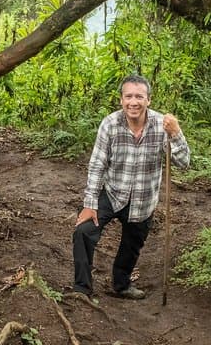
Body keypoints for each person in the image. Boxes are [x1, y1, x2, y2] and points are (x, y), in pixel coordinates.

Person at [69, 74, 190, 301]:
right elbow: (97, 164)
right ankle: (82, 289)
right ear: (121, 100)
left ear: (148, 100)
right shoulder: (110, 123)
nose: (133, 102)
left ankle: (121, 285)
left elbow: (183, 163)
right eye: (128, 96)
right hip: (114, 191)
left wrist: (175, 133)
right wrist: (90, 203)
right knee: (83, 231)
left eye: (139, 97)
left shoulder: (161, 125)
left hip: (143, 199)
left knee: (132, 244)